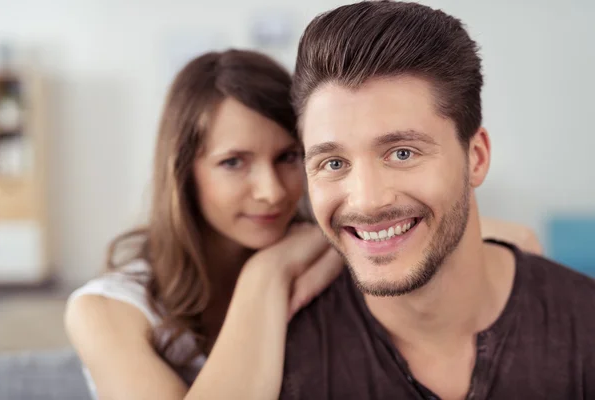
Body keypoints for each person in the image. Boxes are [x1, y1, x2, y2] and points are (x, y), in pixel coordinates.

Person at [65, 49, 543, 400]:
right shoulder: (104, 311)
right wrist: (266, 276)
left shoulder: (325, 248)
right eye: (234, 163)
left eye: (289, 157)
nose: (271, 191)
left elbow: (518, 240)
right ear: (184, 173)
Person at [280, 2, 595, 400]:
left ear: (476, 157)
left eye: (402, 153)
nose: (368, 201)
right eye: (334, 162)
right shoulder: (283, 362)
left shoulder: (586, 327)